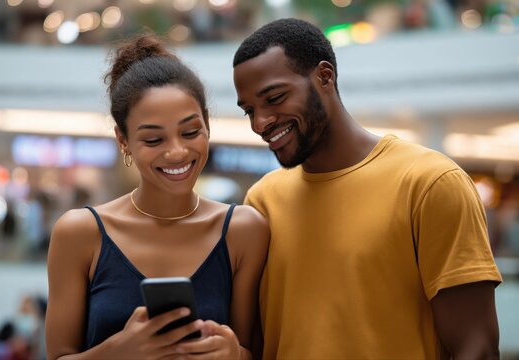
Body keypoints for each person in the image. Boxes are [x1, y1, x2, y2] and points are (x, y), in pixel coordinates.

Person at [232, 18, 502, 359]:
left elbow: (475, 348)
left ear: (325, 77)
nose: (260, 123)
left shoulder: (429, 183)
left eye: (274, 98)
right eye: (249, 111)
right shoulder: (261, 201)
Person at [45, 33, 269, 360]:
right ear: (123, 140)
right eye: (153, 140)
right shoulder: (80, 233)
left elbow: (255, 349)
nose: (177, 152)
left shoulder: (243, 230)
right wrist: (120, 351)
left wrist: (234, 353)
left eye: (191, 132)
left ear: (207, 124)